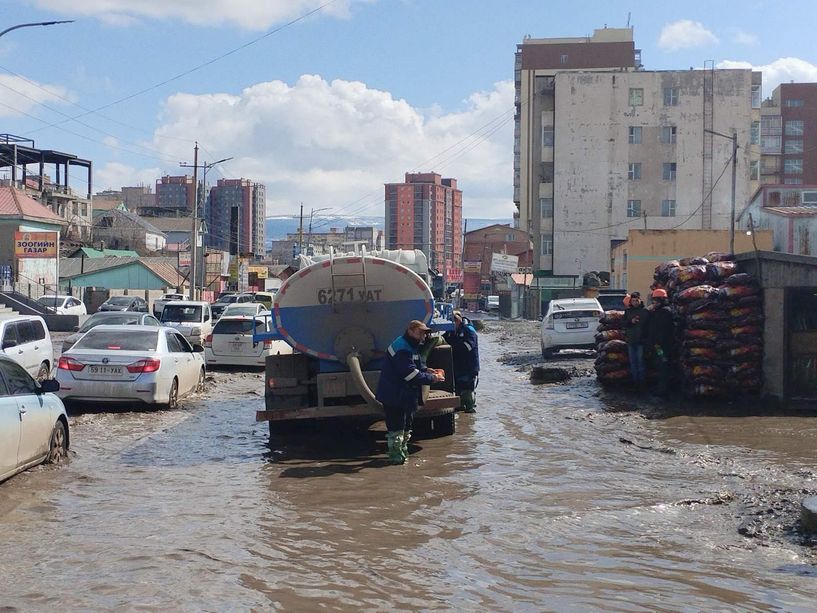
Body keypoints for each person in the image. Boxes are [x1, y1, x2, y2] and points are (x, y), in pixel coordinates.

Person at [376, 320, 445, 465]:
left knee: (406, 426)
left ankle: (402, 455)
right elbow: (410, 374)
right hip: (395, 394)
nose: (423, 337)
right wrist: (433, 378)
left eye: (425, 334)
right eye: (420, 333)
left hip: (405, 395)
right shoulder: (402, 348)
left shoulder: (411, 346)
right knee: (396, 428)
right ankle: (396, 459)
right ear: (411, 331)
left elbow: (415, 365)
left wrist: (426, 370)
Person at [443, 310, 480, 413]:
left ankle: (469, 409)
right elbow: (443, 339)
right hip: (457, 365)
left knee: (467, 390)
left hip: (469, 366)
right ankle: (460, 409)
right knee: (458, 389)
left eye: (453, 320)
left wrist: (452, 347)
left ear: (458, 320)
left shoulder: (469, 330)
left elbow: (468, 346)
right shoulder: (450, 332)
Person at [646, 288, 676, 396]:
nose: (654, 303)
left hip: (661, 345)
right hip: (660, 345)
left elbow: (659, 330)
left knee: (663, 365)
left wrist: (656, 344)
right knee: (660, 365)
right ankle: (662, 387)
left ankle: (663, 390)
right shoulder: (660, 311)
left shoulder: (664, 312)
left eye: (655, 301)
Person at [622, 291, 649, 389]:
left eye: (637, 300)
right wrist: (630, 321)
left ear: (640, 300)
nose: (635, 302)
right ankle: (635, 382)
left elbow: (648, 325)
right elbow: (623, 323)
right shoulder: (628, 311)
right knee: (633, 362)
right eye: (633, 301)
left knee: (640, 362)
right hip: (631, 340)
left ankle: (642, 382)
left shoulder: (644, 311)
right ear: (631, 301)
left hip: (640, 341)